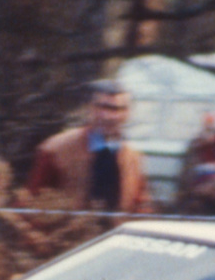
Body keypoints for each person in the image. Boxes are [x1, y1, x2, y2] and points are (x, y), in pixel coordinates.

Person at [24, 81, 149, 215]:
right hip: (68, 228)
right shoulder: (56, 149)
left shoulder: (133, 158)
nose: (111, 117)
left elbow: (141, 207)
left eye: (119, 109)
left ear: (128, 113)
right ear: (89, 108)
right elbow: (31, 203)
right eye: (103, 107)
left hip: (117, 229)